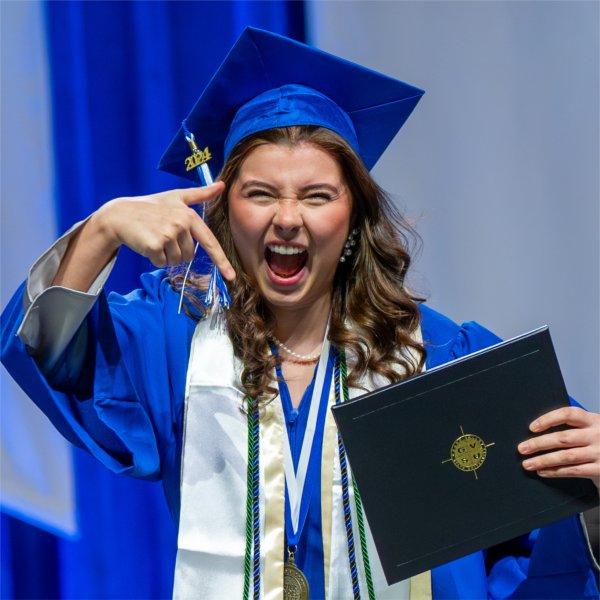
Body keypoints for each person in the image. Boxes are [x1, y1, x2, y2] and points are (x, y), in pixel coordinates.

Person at [1, 26, 599, 600]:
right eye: (260, 193)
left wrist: (590, 482)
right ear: (225, 211)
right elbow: (48, 350)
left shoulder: (442, 361)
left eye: (318, 196)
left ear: (355, 220)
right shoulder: (175, 341)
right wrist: (102, 230)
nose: (287, 218)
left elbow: (538, 558)